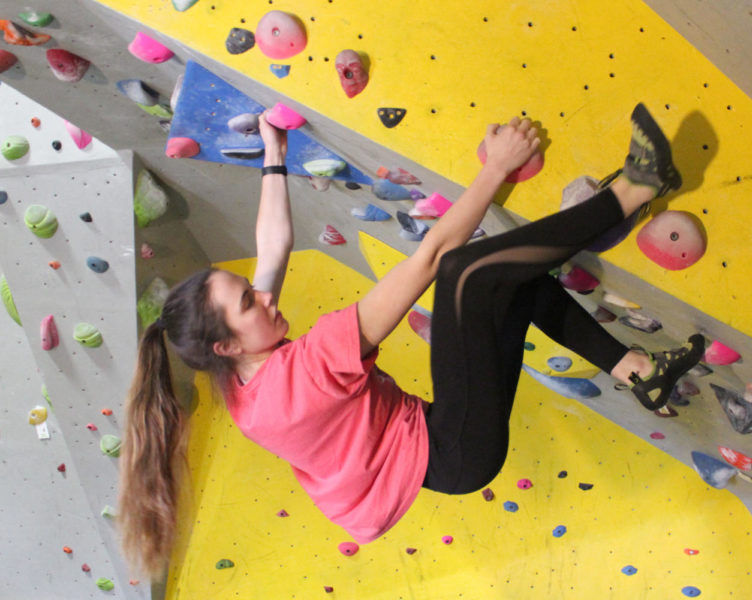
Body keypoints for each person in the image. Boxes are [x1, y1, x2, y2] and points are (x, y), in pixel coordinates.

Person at [118, 104, 704, 580]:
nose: (265, 297)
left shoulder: (240, 375)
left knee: (514, 288)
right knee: (464, 278)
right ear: (226, 344)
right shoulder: (308, 369)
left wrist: (275, 155)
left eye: (250, 290)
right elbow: (431, 258)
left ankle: (637, 371)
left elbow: (271, 252)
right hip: (452, 447)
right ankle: (634, 188)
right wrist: (495, 167)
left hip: (442, 450)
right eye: (249, 303)